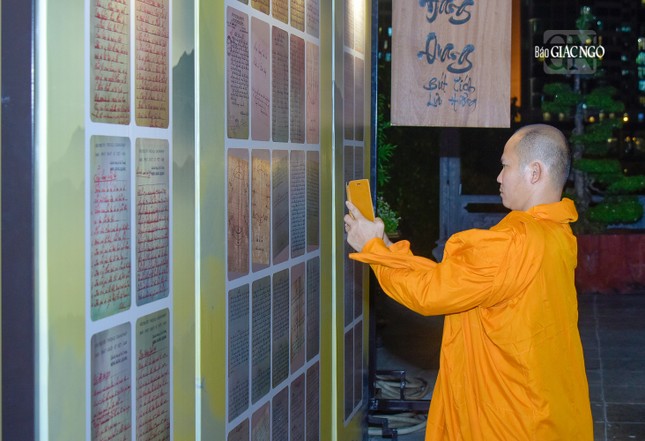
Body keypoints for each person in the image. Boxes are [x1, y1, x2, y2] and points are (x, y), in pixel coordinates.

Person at [344, 124, 593, 440]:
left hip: (510, 416)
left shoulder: (513, 242)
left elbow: (430, 292)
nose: (499, 177)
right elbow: (457, 280)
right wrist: (387, 247)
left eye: (505, 166)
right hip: (547, 403)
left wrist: (373, 249)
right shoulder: (558, 234)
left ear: (534, 172)